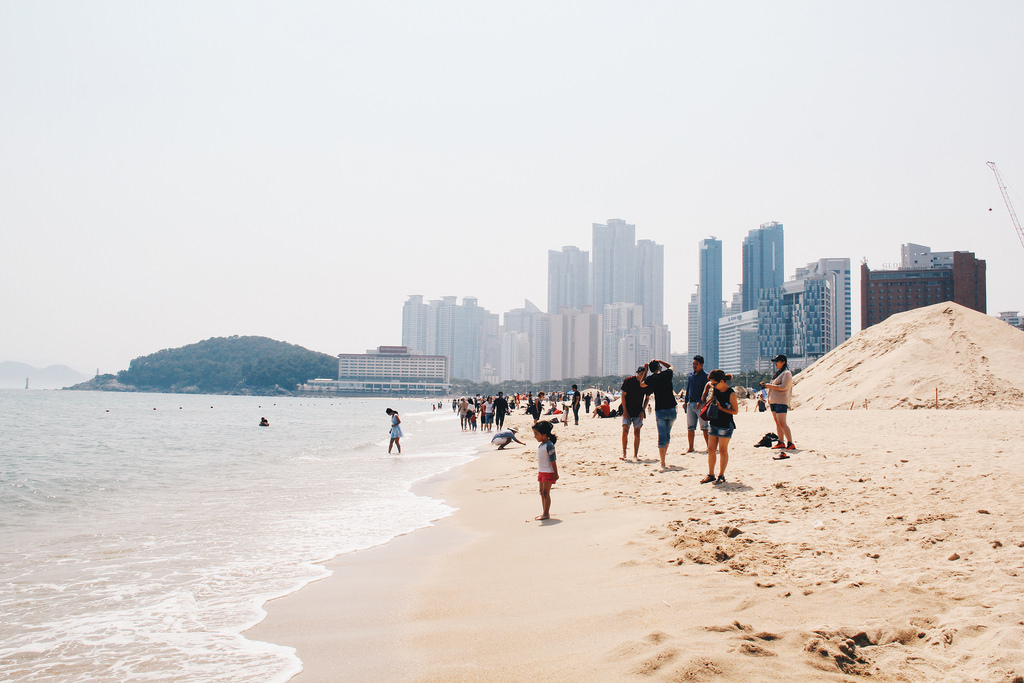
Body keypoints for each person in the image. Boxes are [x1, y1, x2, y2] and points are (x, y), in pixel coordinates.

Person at [701, 370, 738, 484]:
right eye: (712, 384)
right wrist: (707, 391)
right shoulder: (715, 389)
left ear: (722, 381)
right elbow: (708, 385)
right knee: (711, 449)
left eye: (715, 383)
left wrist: (722, 408)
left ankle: (721, 475)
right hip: (714, 422)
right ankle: (711, 474)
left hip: (726, 424)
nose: (713, 386)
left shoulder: (731, 393)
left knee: (722, 450)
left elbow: (735, 411)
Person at [645, 359, 678, 470]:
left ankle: (662, 461)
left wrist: (645, 371)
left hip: (660, 410)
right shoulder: (667, 374)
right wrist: (660, 361)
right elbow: (671, 366)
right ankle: (663, 457)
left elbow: (641, 384)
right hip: (671, 408)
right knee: (667, 434)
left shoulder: (651, 379)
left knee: (661, 436)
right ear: (659, 367)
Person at [762, 354, 796, 454]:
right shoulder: (778, 373)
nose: (775, 364)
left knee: (782, 422)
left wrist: (770, 386)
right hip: (774, 401)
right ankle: (781, 441)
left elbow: (784, 387)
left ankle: (790, 443)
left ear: (783, 362)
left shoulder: (787, 373)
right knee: (777, 422)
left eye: (777, 361)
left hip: (781, 401)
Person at [620, 365, 649, 461]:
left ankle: (635, 455)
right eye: (641, 374)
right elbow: (623, 396)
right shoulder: (629, 381)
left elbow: (647, 398)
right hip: (627, 410)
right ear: (637, 373)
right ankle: (624, 453)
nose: (642, 377)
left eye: (643, 375)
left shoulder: (646, 384)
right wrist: (624, 411)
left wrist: (643, 411)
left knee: (637, 433)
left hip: (638, 412)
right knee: (625, 431)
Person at [532, 420, 559, 521]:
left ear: (544, 435)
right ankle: (544, 512)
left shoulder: (549, 445)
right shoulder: (542, 444)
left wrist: (556, 473)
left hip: (548, 472)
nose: (535, 436)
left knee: (546, 493)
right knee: (541, 492)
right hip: (542, 471)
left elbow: (553, 460)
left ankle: (546, 513)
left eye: (536, 434)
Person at [683, 355, 710, 454]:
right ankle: (691, 447)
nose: (694, 366)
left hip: (701, 405)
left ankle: (709, 447)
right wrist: (685, 402)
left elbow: (705, 391)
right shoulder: (691, 375)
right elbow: (688, 389)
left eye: (696, 364)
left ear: (701, 365)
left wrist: (701, 401)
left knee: (704, 427)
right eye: (693, 364)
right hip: (691, 404)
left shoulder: (705, 376)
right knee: (690, 428)